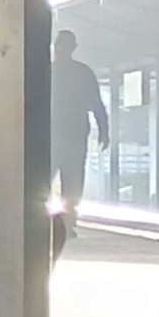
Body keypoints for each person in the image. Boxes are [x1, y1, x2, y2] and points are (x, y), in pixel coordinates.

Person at [51, 24, 111, 262]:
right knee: (72, 181)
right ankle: (65, 222)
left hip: (54, 135)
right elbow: (96, 104)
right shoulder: (82, 73)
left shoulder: (49, 72)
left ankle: (59, 221)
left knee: (51, 180)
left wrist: (104, 130)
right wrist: (103, 129)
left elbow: (96, 104)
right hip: (70, 135)